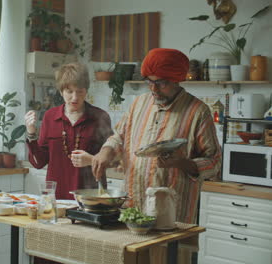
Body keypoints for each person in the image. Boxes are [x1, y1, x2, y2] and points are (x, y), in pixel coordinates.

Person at [92, 48, 221, 224]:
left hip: (173, 215)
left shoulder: (197, 112)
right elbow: (119, 136)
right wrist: (107, 150)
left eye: (162, 83)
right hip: (133, 208)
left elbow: (214, 161)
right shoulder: (139, 103)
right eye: (149, 82)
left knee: (168, 252)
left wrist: (182, 162)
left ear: (177, 80)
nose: (154, 89)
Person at [25, 62, 113, 200]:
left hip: (90, 197)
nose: (75, 97)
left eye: (80, 91)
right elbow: (39, 163)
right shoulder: (50, 117)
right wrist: (31, 133)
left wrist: (91, 160)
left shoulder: (100, 117)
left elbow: (113, 159)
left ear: (86, 91)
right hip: (57, 197)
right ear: (61, 91)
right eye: (69, 91)